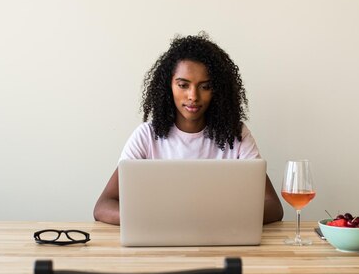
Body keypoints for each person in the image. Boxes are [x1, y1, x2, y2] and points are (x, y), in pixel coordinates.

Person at [94, 33, 283, 225]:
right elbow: (103, 206)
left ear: (217, 90)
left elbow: (273, 206)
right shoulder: (146, 136)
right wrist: (159, 220)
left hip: (217, 242)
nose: (193, 96)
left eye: (205, 86)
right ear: (168, 86)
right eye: (183, 85)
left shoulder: (235, 134)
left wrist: (211, 220)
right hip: (160, 243)